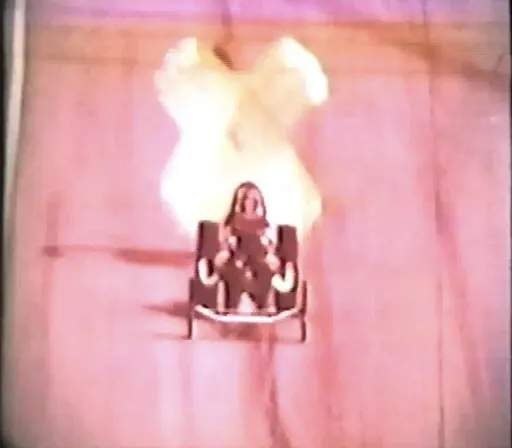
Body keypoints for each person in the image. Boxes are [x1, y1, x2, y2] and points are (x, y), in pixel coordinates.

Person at [213, 182, 281, 312]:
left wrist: (268, 249)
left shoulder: (265, 223)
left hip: (258, 258)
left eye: (254, 200)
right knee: (234, 270)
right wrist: (229, 247)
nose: (250, 203)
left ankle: (263, 306)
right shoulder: (231, 222)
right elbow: (224, 245)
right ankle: (231, 306)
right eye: (247, 199)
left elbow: (270, 247)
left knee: (264, 270)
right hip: (235, 257)